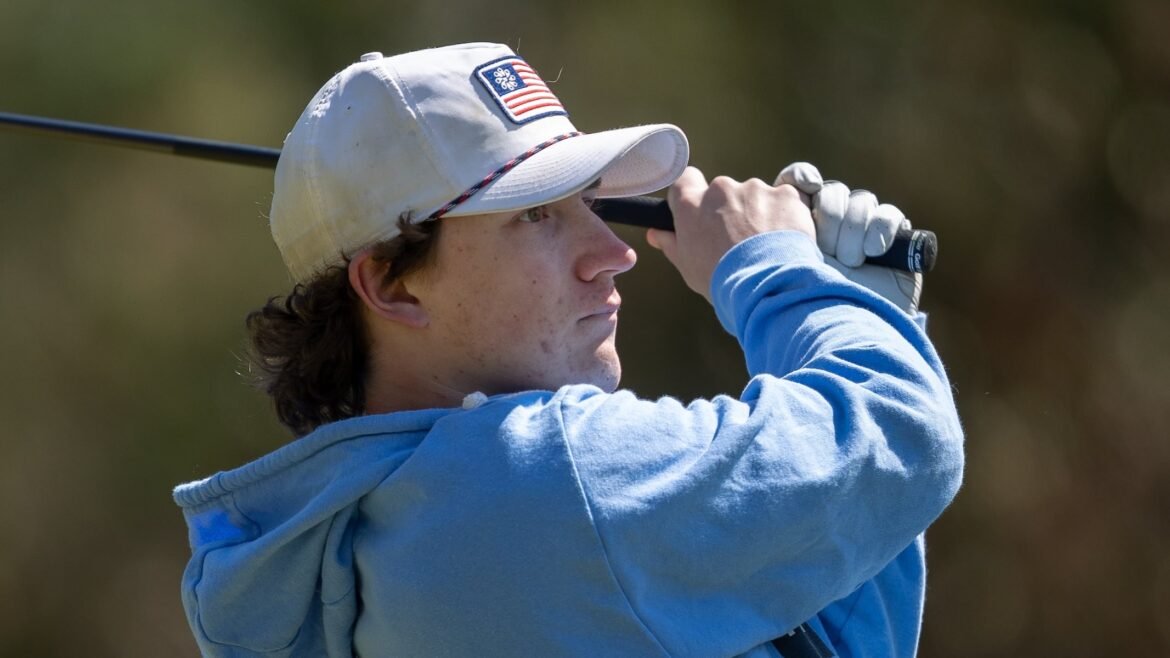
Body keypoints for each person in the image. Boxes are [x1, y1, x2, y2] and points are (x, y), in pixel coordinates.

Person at [173, 42, 963, 657]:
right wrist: (780, 278)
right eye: (535, 217)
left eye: (587, 202)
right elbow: (902, 433)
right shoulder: (543, 481)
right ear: (392, 286)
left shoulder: (376, 534)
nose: (611, 253)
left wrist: (864, 316)